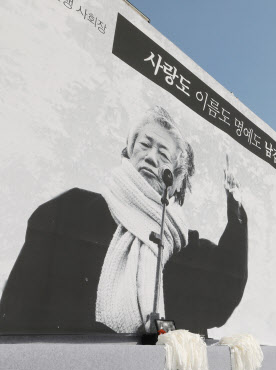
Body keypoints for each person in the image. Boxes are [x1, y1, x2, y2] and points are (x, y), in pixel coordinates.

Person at [0, 106, 248, 336]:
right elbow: (15, 312)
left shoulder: (184, 249)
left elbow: (224, 290)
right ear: (129, 152)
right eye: (144, 145)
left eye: (163, 154)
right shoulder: (70, 211)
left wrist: (235, 210)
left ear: (176, 183)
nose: (151, 157)